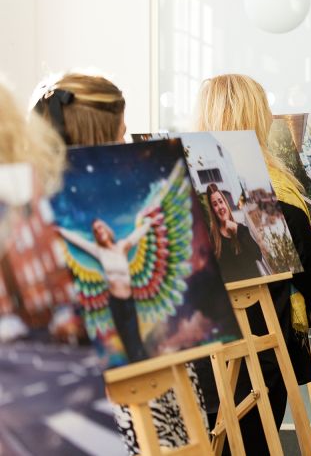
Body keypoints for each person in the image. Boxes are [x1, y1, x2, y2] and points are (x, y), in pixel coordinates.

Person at [35, 72, 203, 454]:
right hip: (113, 400)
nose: (128, 143)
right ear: (99, 137)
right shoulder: (41, 216)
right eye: (122, 132)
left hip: (139, 355)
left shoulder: (35, 208)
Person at [194, 73, 311, 454]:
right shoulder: (278, 194)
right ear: (256, 119)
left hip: (198, 350)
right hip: (265, 349)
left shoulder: (178, 196)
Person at [58, 217, 152, 361]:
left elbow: (136, 235)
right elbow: (79, 241)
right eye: (95, 230)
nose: (98, 231)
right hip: (116, 302)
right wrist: (60, 230)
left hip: (129, 300)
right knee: (127, 341)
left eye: (100, 227)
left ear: (107, 229)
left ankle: (146, 367)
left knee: (136, 338)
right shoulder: (99, 251)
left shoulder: (121, 247)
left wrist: (149, 223)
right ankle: (138, 371)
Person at [205, 183, 266, 281]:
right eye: (215, 204)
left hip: (256, 289)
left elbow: (258, 255)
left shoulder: (241, 229)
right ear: (213, 210)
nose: (220, 207)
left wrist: (237, 229)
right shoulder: (213, 240)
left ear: (225, 203)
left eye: (221, 201)